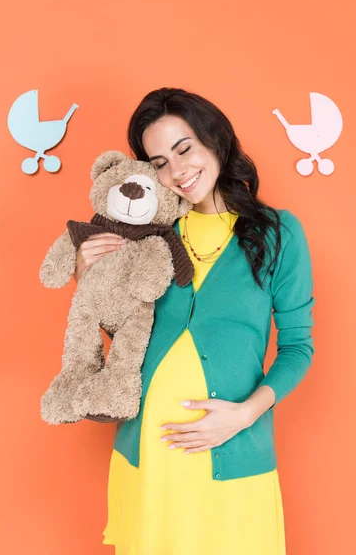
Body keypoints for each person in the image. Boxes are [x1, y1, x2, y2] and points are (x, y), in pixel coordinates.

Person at [73, 87, 315, 554]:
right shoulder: (148, 236)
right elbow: (126, 336)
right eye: (159, 161)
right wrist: (90, 281)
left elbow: (298, 347)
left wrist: (244, 415)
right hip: (147, 454)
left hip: (232, 450)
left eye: (184, 149)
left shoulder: (278, 233)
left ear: (216, 141)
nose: (177, 170)